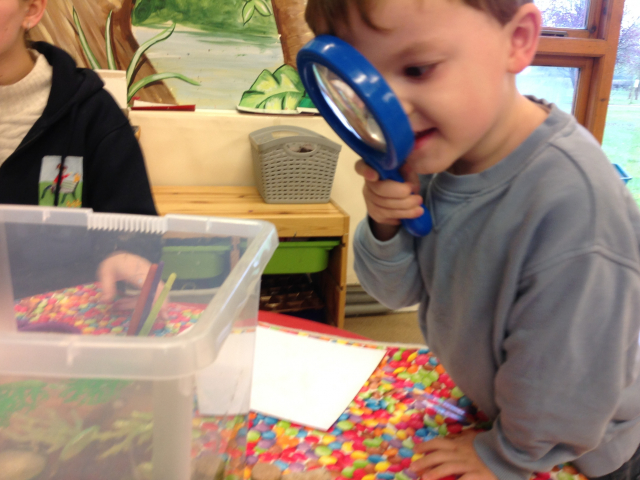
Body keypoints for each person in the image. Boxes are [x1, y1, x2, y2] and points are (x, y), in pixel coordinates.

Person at [304, 1, 640, 479]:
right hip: (507, 409)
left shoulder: (575, 204)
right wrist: (387, 224)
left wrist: (505, 455)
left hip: (581, 450)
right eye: (363, 86)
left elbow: (573, 378)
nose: (389, 108)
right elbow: (395, 291)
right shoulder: (447, 158)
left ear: (518, 40)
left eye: (418, 69)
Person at [0, 0, 160, 300]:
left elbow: (136, 228)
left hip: (59, 325)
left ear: (32, 10)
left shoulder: (93, 115)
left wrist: (125, 254)